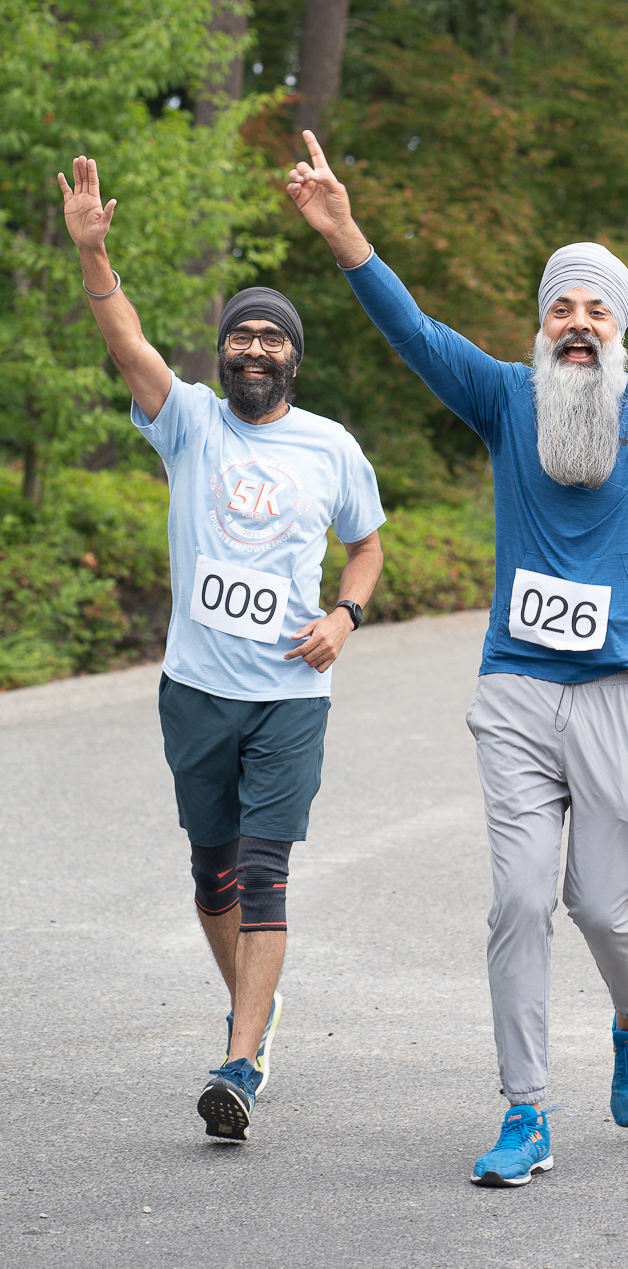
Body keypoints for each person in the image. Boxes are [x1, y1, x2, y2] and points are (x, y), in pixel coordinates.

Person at [285, 129, 628, 1186]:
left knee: (602, 905)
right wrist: (345, 234)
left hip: (621, 688)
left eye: (595, 309)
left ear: (619, 329)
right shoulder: (503, 399)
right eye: (560, 307)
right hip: (516, 688)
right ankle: (524, 1111)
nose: (577, 324)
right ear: (540, 326)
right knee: (521, 901)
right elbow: (415, 331)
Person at [60, 155, 386, 1142]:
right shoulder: (189, 423)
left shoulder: (331, 446)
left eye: (270, 337)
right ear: (223, 353)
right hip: (194, 691)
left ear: (293, 357)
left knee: (262, 868)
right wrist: (93, 252)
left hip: (289, 700)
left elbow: (368, 545)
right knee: (212, 876)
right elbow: (126, 345)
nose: (253, 348)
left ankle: (239, 1061)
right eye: (240, 334)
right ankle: (257, 1002)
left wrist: (345, 615)